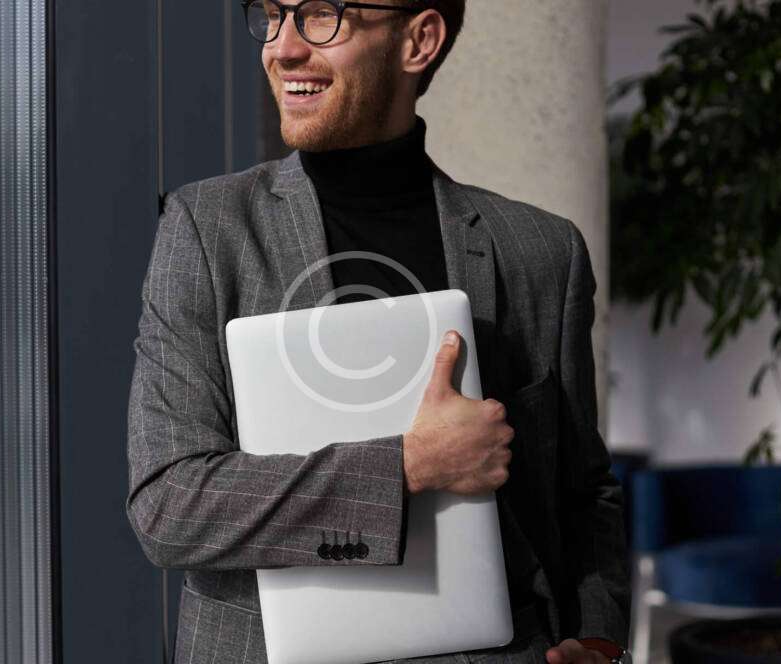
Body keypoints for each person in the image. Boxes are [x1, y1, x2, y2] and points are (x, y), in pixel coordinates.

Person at [125, 1, 632, 662]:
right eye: (273, 15)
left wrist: (598, 637)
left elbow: (584, 493)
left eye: (321, 15)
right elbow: (168, 506)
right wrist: (408, 465)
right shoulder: (207, 229)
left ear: (419, 40)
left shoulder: (541, 252)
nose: (282, 48)